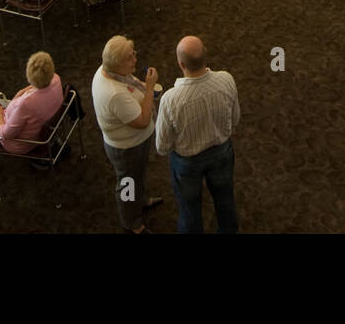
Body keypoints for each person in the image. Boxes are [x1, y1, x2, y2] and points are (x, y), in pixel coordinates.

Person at [155, 35, 240, 234]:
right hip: (222, 152)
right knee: (225, 200)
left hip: (187, 162)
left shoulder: (170, 99)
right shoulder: (226, 80)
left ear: (180, 64)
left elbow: (162, 146)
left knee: (189, 211)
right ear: (205, 56)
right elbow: (235, 119)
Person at [92, 35, 161, 234]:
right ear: (116, 64)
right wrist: (149, 88)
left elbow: (130, 82)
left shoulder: (108, 71)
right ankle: (132, 223)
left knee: (136, 175)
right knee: (128, 184)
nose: (135, 61)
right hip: (127, 149)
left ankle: (142, 200)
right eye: (129, 59)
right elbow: (141, 121)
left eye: (134, 55)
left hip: (134, 146)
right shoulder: (115, 94)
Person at [0, 50, 68, 165]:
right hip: (41, 128)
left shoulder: (25, 104)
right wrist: (20, 93)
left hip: (20, 143)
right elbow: (37, 87)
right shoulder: (56, 79)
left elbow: (5, 134)